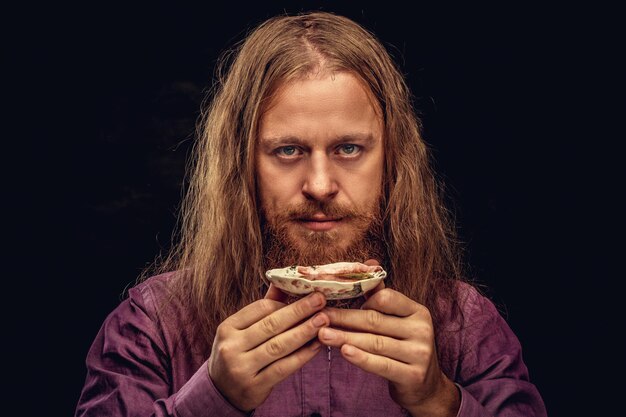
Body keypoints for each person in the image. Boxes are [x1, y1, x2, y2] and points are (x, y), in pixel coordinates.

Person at [75, 11, 547, 417]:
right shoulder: (152, 323)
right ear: (243, 165)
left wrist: (440, 400)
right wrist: (212, 399)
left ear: (392, 159)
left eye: (348, 148)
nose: (319, 185)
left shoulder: (465, 324)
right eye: (287, 150)